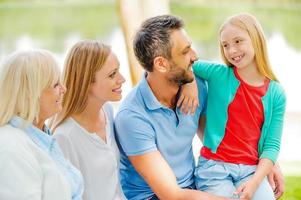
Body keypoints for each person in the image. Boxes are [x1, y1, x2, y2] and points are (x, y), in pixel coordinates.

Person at [114, 15, 227, 200]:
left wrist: (263, 162)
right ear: (161, 64)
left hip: (191, 185)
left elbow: (218, 143)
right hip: (153, 196)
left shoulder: (194, 85)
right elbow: (170, 195)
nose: (195, 56)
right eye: (185, 51)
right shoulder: (132, 117)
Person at [183, 13, 286, 199]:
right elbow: (185, 64)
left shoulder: (276, 93)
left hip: (251, 171)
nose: (231, 51)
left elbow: (271, 145)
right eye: (225, 45)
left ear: (256, 39)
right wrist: (189, 83)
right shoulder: (218, 74)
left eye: (238, 41)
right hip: (214, 168)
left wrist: (255, 183)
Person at [0, 49, 83, 200]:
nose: (64, 89)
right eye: (56, 84)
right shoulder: (10, 147)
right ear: (31, 93)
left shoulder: (41, 135)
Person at [51, 40, 126, 200]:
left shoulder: (107, 111)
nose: (122, 79)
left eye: (118, 71)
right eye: (112, 74)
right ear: (87, 82)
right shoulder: (65, 137)